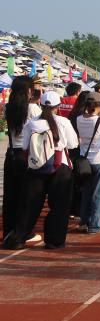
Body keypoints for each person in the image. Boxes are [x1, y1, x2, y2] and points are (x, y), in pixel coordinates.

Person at [7, 90, 78, 249]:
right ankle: (54, 240)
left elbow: (25, 146)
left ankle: (18, 238)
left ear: (40, 103)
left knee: (29, 205)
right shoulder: (63, 122)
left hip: (35, 167)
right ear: (58, 106)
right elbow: (73, 144)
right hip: (60, 168)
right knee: (59, 206)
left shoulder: (31, 124)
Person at [2, 76, 42, 246]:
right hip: (25, 156)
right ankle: (24, 232)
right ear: (29, 91)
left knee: (11, 196)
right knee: (27, 196)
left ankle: (9, 231)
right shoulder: (33, 109)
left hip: (10, 155)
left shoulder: (8, 107)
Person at [74, 92, 100, 234]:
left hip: (85, 161)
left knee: (87, 192)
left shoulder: (79, 119)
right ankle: (95, 225)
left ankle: (84, 222)